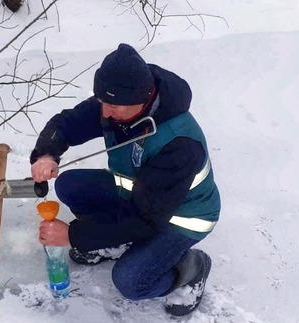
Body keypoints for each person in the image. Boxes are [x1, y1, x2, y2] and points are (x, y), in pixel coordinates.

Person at [30, 43, 221, 316]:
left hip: (180, 218)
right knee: (70, 185)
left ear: (142, 99)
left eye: (113, 106)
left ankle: (192, 268)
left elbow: (145, 219)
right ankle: (115, 241)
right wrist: (46, 154)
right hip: (141, 198)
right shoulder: (117, 101)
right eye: (102, 102)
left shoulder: (179, 143)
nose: (105, 113)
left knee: (131, 281)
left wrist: (73, 235)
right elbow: (66, 123)